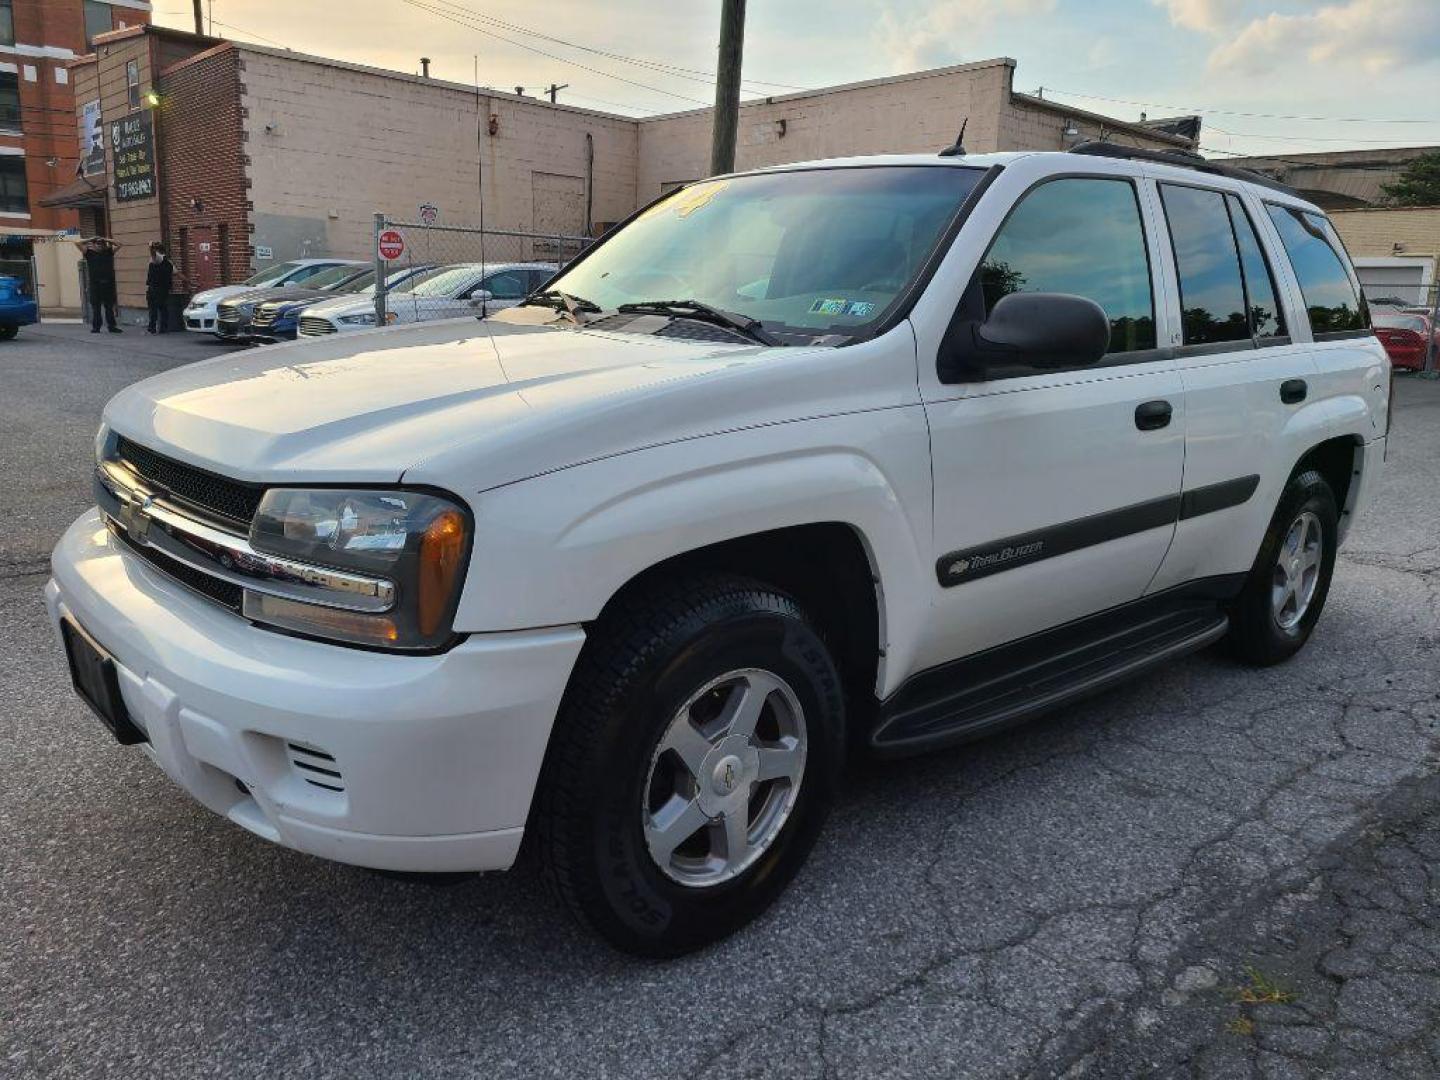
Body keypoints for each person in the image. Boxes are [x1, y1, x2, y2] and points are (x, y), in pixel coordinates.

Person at [73, 236, 123, 333]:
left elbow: (120, 244)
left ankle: (111, 327)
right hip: (95, 284)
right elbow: (77, 243)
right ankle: (96, 327)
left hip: (108, 284)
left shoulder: (108, 252)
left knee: (109, 307)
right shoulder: (89, 254)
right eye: (98, 244)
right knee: (96, 307)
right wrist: (91, 238)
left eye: (102, 244)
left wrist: (106, 239)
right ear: (94, 245)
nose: (100, 246)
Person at [145, 242, 174, 334]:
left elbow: (153, 254)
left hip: (155, 288)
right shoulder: (169, 262)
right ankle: (163, 328)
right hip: (164, 289)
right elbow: (177, 273)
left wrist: (150, 247)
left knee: (153, 309)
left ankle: (152, 328)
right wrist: (187, 281)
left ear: (157, 250)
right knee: (163, 308)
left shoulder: (157, 258)